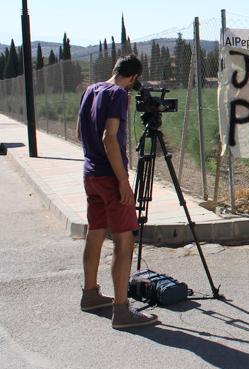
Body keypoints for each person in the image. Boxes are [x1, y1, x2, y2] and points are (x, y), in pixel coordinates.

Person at [76, 54, 157, 329]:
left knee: (96, 231)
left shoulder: (90, 90)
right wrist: (123, 181)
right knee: (124, 241)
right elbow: (109, 137)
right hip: (110, 176)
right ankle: (121, 310)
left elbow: (80, 131)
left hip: (91, 173)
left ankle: (90, 294)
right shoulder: (118, 95)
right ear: (133, 78)